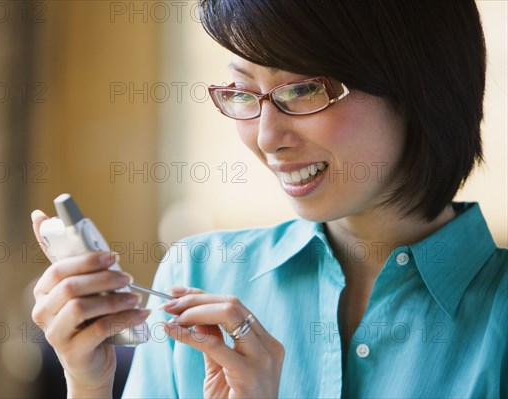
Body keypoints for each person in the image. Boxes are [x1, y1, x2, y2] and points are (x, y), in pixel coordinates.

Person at [31, 0, 507, 397]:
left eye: (302, 89)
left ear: (421, 83)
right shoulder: (198, 271)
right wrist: (88, 383)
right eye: (242, 91)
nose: (265, 136)